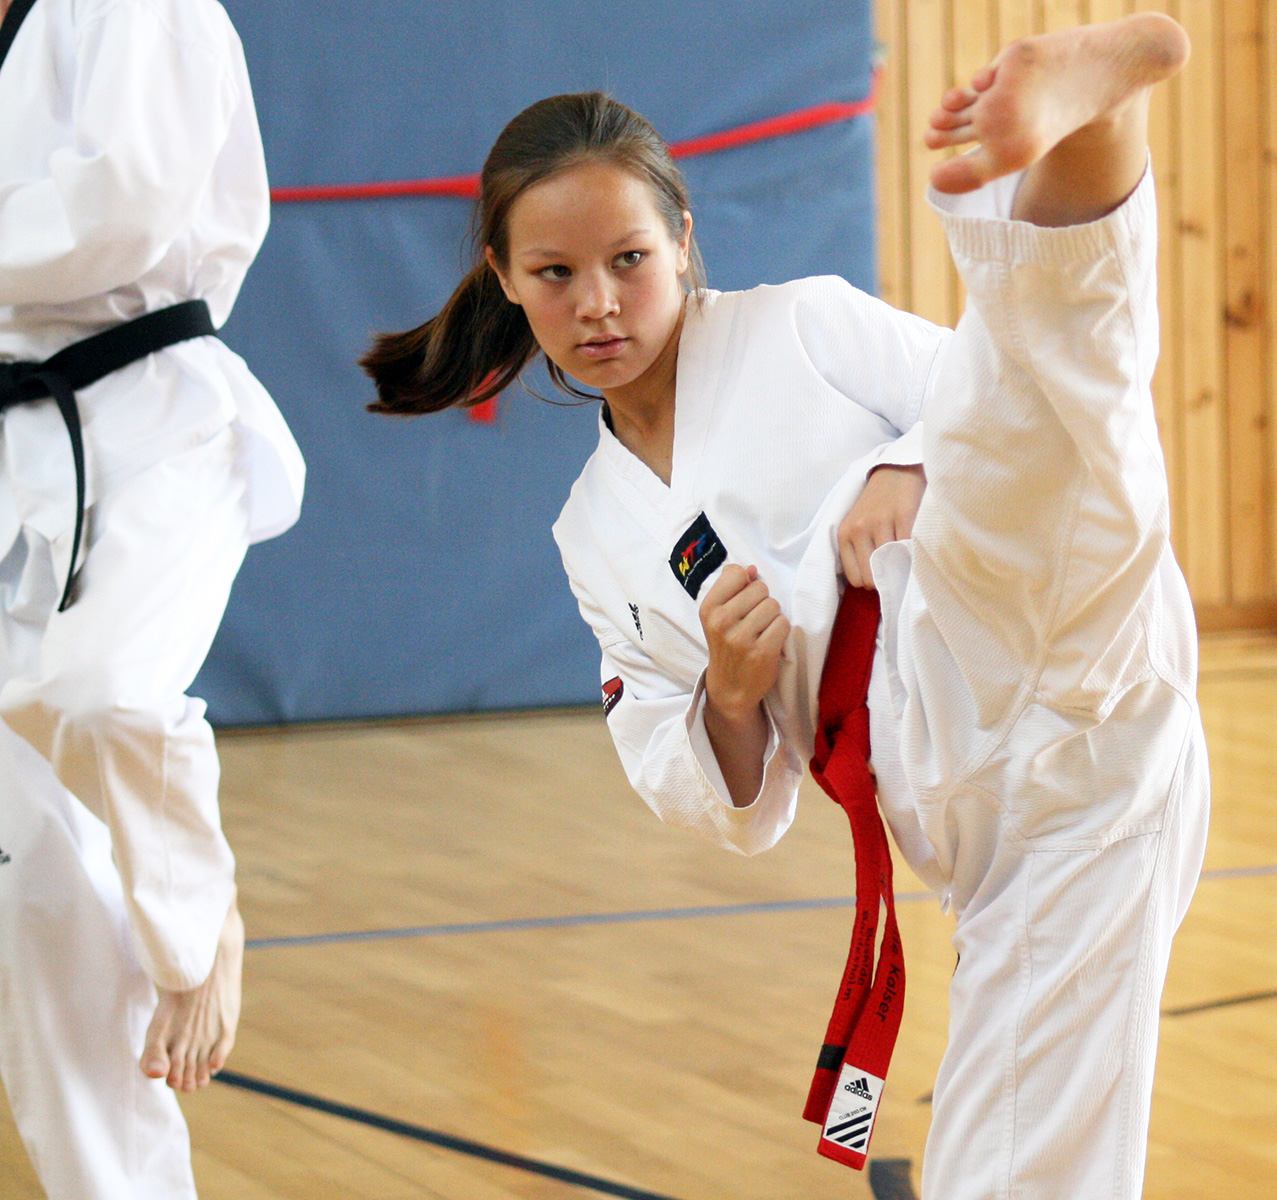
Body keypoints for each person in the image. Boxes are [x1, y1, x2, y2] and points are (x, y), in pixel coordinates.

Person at [364, 14, 1206, 1198]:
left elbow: (960, 396)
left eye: (629, 261)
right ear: (506, 280)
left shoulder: (804, 324)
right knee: (1011, 1155)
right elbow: (695, 783)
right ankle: (1101, 130)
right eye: (555, 274)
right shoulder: (595, 536)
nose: (598, 304)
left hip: (1035, 647)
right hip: (984, 807)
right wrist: (729, 694)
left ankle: (1098, 113)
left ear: (684, 243)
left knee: (1030, 408)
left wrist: (904, 464)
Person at [0, 0, 304, 1195]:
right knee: (30, 878)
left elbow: (122, 208)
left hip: (150, 416)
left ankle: (196, 928)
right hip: (26, 439)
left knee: (109, 691)